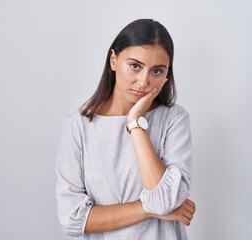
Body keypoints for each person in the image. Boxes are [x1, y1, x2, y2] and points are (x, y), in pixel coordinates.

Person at [55, 19, 196, 240]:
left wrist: (135, 123)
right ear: (113, 60)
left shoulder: (173, 120)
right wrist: (149, 209)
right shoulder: (78, 126)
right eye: (135, 66)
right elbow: (72, 219)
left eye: (157, 71)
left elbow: (163, 201)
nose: (143, 81)